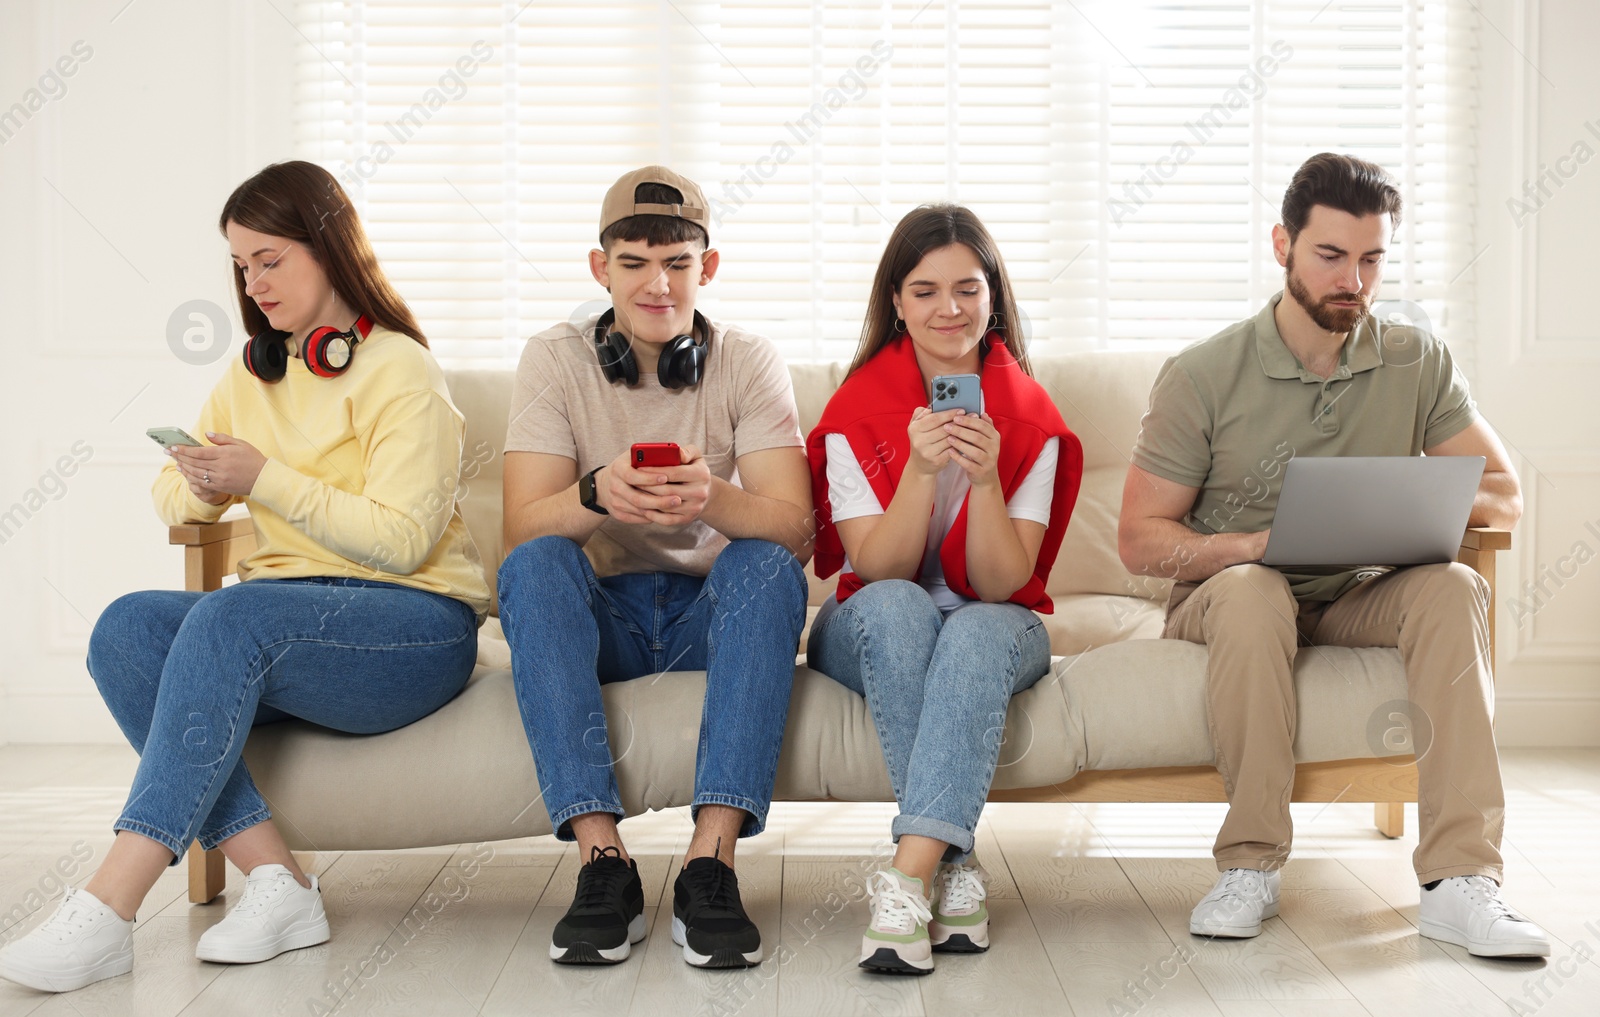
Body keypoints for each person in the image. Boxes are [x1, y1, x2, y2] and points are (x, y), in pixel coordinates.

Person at [0, 161, 490, 993]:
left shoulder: (402, 370)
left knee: (230, 618)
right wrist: (199, 478)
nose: (253, 281)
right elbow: (176, 487)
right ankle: (280, 882)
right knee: (126, 625)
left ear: (329, 249)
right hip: (284, 625)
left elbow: (404, 541)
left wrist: (261, 478)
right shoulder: (256, 371)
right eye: (240, 264)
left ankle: (112, 901)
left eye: (270, 258)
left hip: (411, 628)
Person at [1118, 152, 1550, 957]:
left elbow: (1504, 494)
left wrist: (1394, 503)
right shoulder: (1206, 372)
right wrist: (1253, 546)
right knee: (1254, 591)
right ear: (1282, 244)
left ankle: (1461, 882)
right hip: (1231, 598)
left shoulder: (1416, 361)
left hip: (1357, 593)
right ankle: (1250, 864)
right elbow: (1140, 538)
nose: (1353, 278)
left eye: (1372, 258)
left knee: (1453, 587)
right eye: (1331, 255)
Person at [497, 166, 812, 969]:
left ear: (707, 269)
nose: (656, 282)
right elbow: (521, 529)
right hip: (607, 617)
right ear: (600, 269)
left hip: (713, 616)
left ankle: (711, 860)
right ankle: (604, 863)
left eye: (676, 262)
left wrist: (711, 496)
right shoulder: (553, 359)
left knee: (767, 566)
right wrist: (596, 493)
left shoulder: (747, 360)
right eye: (633, 261)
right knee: (536, 566)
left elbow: (796, 529)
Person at [806, 204, 1083, 975]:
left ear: (994, 296)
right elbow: (878, 567)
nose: (949, 309)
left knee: (974, 625)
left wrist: (988, 478)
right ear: (895, 300)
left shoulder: (1030, 421)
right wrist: (922, 474)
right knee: (899, 606)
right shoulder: (853, 413)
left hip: (992, 621)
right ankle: (953, 864)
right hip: (872, 617)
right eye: (925, 291)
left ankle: (914, 876)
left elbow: (1003, 582)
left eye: (968, 288)